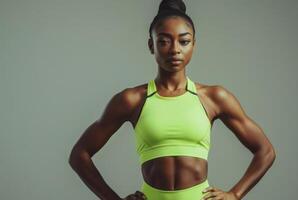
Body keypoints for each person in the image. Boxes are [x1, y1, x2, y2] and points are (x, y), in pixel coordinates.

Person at [68, 0, 276, 199]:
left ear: (193, 44)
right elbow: (79, 155)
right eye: (164, 41)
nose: (175, 49)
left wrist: (236, 194)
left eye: (184, 41)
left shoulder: (214, 98)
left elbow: (265, 151)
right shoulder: (131, 100)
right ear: (151, 45)